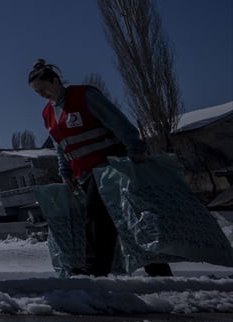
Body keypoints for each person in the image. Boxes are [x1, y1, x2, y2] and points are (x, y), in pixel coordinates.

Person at [27, 59, 172, 277]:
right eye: (36, 92)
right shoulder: (48, 113)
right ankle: (157, 268)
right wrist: (65, 172)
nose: (41, 94)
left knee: (96, 216)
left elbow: (117, 121)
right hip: (84, 173)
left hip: (109, 166)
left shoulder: (84, 96)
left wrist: (135, 147)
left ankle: (95, 271)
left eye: (43, 88)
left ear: (55, 81)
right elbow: (61, 145)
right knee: (123, 221)